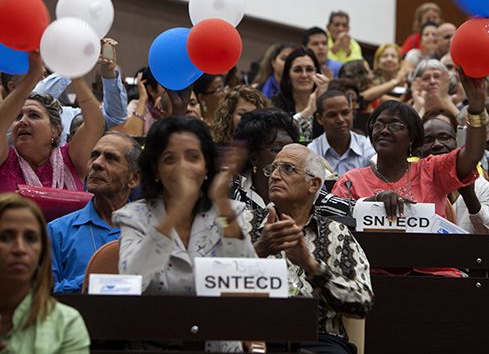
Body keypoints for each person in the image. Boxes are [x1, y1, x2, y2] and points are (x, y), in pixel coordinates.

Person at [113, 117, 255, 352]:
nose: (182, 168)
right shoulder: (133, 217)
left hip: (219, 346)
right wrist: (176, 211)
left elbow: (246, 279)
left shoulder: (227, 213)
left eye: (193, 157)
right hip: (155, 344)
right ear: (155, 169)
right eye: (170, 159)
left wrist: (221, 205)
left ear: (207, 166)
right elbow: (131, 281)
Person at [251, 144, 374, 354]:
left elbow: (361, 302)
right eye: (273, 168)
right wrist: (258, 251)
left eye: (287, 169)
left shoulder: (338, 234)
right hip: (254, 333)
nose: (275, 175)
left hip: (320, 339)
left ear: (314, 184)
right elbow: (211, 284)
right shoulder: (245, 223)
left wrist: (312, 267)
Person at [332, 70, 487, 228]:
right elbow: (331, 226)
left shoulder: (432, 171)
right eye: (378, 125)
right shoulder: (350, 182)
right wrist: (371, 204)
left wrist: (476, 109)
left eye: (394, 125)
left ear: (412, 136)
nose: (384, 130)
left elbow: (472, 154)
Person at [48, 132, 141, 293]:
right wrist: (91, 279)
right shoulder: (57, 232)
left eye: (111, 158)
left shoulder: (154, 232)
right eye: (94, 155)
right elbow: (42, 296)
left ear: (133, 178)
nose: (97, 163)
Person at [0, 53, 105, 193]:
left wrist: (77, 76)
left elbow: (95, 123)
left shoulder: (71, 159)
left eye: (34, 115)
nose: (23, 121)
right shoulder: (4, 160)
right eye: (18, 117)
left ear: (56, 130)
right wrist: (31, 78)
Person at [0, 193, 90, 353]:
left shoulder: (66, 324)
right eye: (5, 237)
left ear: (42, 251)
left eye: (31, 238)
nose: (20, 248)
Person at [233, 108, 354, 218]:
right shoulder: (232, 191)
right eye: (276, 150)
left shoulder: (304, 184)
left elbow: (348, 209)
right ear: (254, 157)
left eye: (290, 147)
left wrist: (368, 204)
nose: (286, 155)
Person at [420, 109, 489, 234]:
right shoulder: (410, 183)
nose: (437, 144)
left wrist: (471, 198)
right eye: (428, 140)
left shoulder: (480, 186)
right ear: (418, 148)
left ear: (457, 141)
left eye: (444, 137)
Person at [308, 90, 374, 175]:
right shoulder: (312, 151)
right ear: (319, 118)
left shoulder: (366, 147)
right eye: (332, 115)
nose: (340, 120)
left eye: (345, 113)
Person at [271, 48, 329, 140]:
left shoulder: (327, 101)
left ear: (317, 73)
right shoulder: (276, 103)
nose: (304, 75)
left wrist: (324, 102)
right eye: (298, 70)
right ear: (288, 75)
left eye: (309, 69)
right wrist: (308, 111)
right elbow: (278, 135)